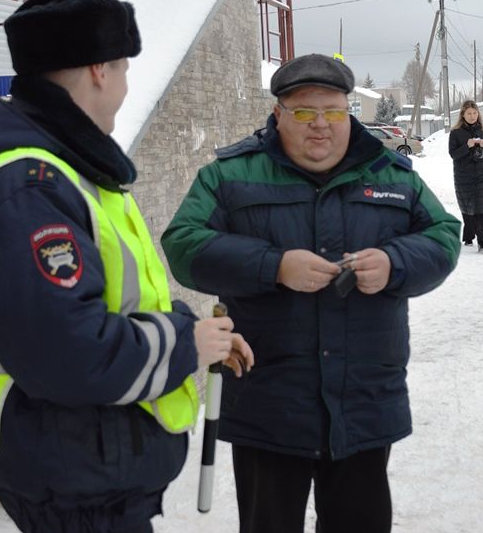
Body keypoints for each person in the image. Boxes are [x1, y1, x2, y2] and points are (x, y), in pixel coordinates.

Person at [0, 0, 254, 533]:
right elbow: (66, 350)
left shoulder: (71, 171)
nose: (126, 84)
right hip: (73, 476)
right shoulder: (29, 186)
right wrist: (185, 343)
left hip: (91, 469)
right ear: (100, 70)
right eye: (124, 67)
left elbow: (119, 301)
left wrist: (196, 333)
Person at [161, 53, 461, 533]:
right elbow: (183, 245)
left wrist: (394, 264)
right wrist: (273, 265)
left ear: (349, 113)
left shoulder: (391, 175)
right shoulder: (230, 175)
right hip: (268, 402)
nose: (320, 125)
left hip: (362, 399)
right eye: (304, 112)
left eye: (334, 111)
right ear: (278, 114)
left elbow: (444, 237)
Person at [448, 99, 483, 253]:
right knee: (467, 207)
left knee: (480, 208)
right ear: (463, 114)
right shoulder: (455, 132)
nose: (472, 116)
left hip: (482, 175)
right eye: (469, 113)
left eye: (475, 113)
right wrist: (466, 146)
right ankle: (468, 236)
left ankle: (482, 242)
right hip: (463, 176)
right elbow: (453, 154)